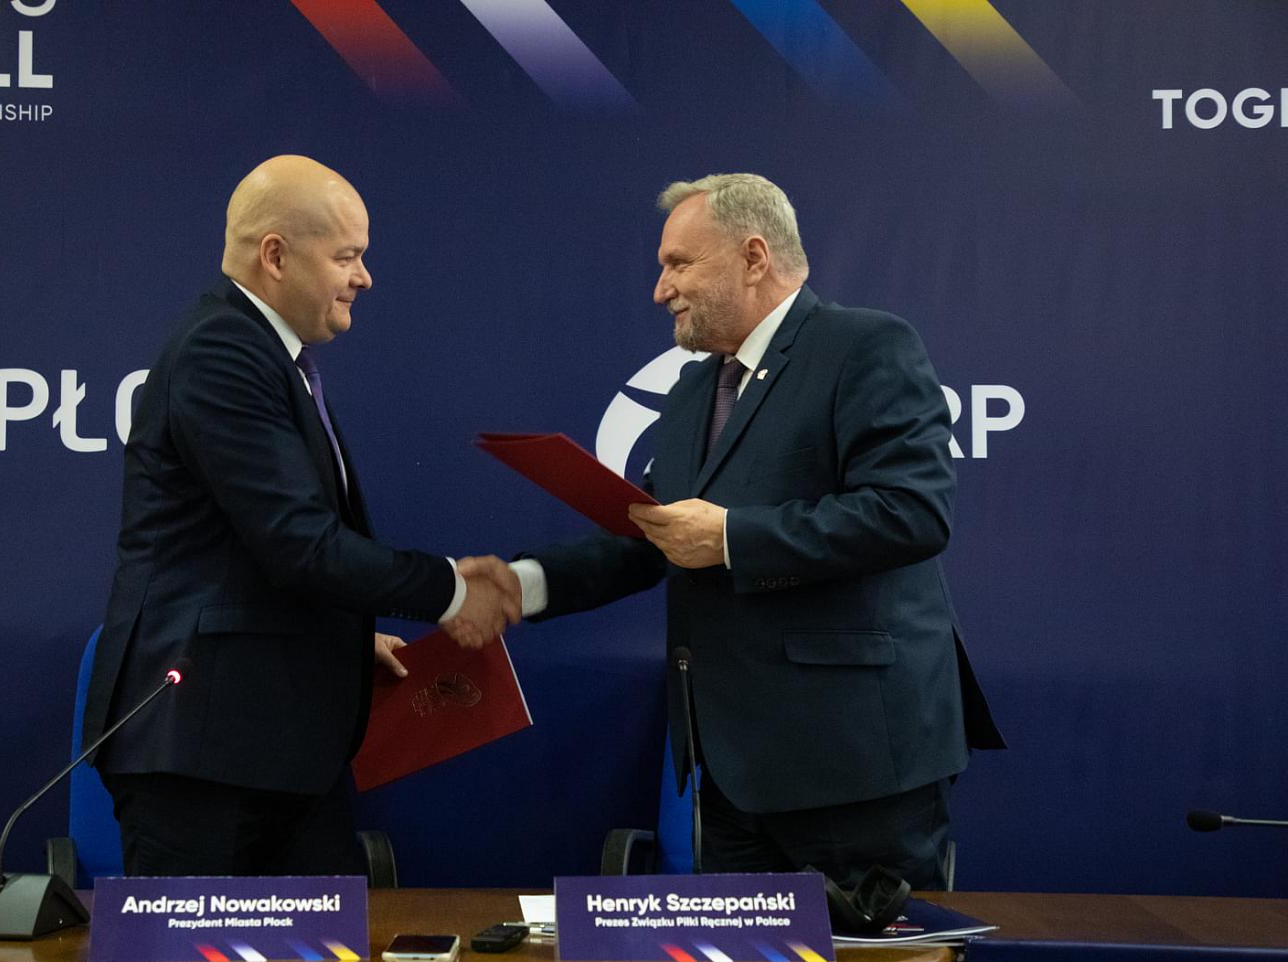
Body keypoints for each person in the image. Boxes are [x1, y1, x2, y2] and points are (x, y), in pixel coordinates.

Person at [478, 172, 1003, 890]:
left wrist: (731, 537)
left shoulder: (866, 346)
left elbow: (911, 511)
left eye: (678, 264)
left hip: (854, 766)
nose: (660, 289)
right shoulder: (695, 387)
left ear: (754, 257)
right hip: (728, 771)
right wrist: (523, 584)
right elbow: (651, 533)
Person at [82, 155, 519, 878]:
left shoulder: (269, 356)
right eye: (347, 256)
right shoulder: (221, 351)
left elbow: (253, 556)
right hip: (207, 757)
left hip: (272, 748)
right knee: (196, 957)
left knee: (320, 950)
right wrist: (451, 590)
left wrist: (340, 639)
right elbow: (299, 543)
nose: (364, 278)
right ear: (276, 256)